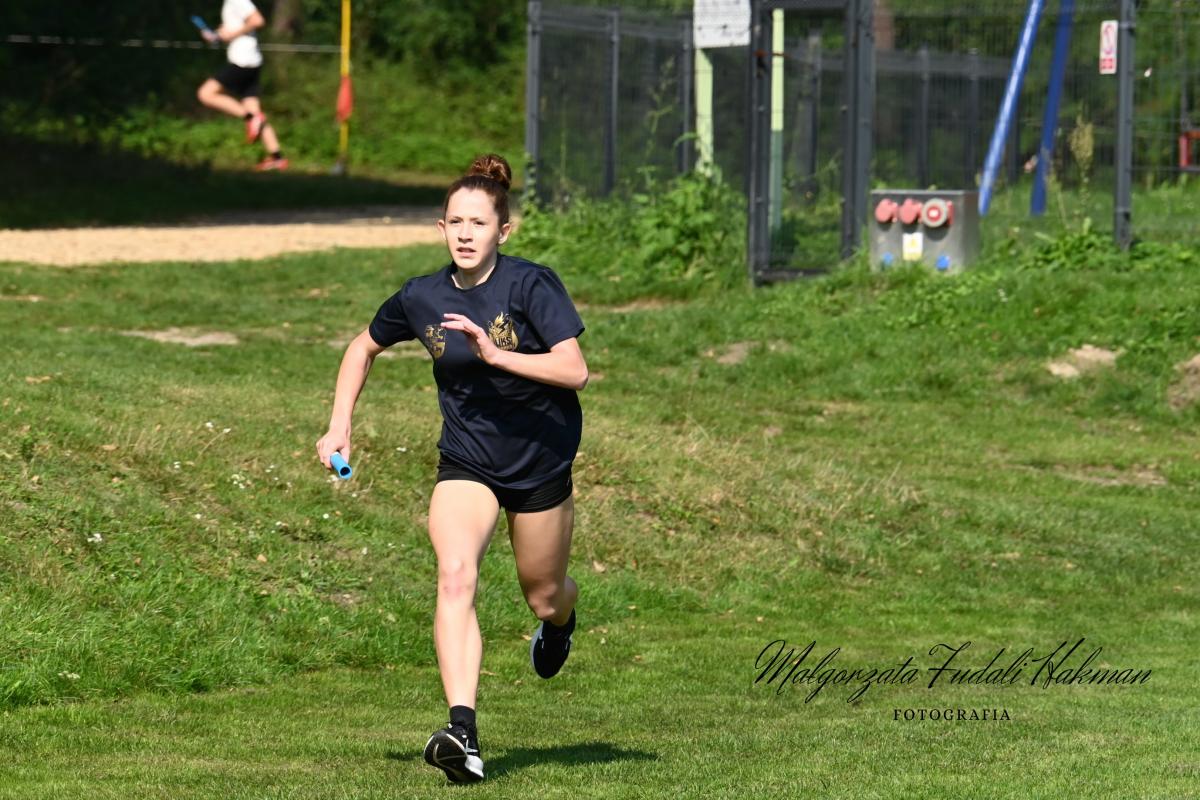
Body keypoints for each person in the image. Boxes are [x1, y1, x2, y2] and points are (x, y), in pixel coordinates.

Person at [316, 154, 588, 784]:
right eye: (456, 223)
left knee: (544, 595)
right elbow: (362, 346)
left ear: (503, 231)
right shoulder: (422, 297)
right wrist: (339, 424)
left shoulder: (531, 285)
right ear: (442, 228)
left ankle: (561, 624)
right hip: (467, 461)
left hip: (540, 460)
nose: (466, 234)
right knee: (456, 574)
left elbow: (574, 370)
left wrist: (496, 354)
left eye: (479, 223)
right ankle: (462, 735)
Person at [195, 0, 288, 171]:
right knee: (255, 110)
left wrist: (231, 35)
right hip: (251, 61)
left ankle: (250, 118)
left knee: (206, 94)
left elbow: (257, 20)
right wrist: (217, 35)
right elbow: (236, 28)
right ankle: (277, 157)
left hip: (243, 61)